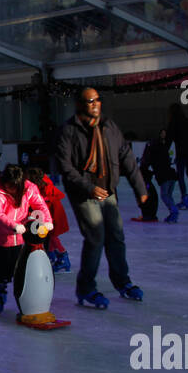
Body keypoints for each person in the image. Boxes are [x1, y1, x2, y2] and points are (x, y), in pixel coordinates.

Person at [54, 87, 148, 307]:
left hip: (108, 191)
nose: (95, 104)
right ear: (79, 104)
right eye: (89, 101)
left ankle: (123, 282)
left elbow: (126, 157)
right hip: (84, 194)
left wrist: (140, 190)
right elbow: (65, 167)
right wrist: (89, 188)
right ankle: (86, 289)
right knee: (96, 237)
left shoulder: (109, 127)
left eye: (97, 100)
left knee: (116, 237)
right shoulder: (68, 131)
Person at [0, 165, 50, 314]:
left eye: (14, 187)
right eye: (9, 186)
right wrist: (13, 225)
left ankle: (25, 298)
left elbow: (40, 204)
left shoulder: (29, 188)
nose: (12, 190)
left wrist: (47, 221)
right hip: (1, 234)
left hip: (20, 235)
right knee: (4, 265)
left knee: (18, 267)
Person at [26, 166, 71, 273]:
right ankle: (52, 256)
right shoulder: (40, 185)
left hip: (53, 214)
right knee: (48, 236)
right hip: (48, 214)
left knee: (51, 235)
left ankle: (63, 258)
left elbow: (47, 200)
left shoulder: (45, 187)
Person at [141, 129, 181, 223]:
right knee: (169, 195)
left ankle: (174, 211)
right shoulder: (163, 150)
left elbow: (147, 162)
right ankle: (173, 213)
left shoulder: (154, 152)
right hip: (172, 175)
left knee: (164, 195)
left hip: (165, 176)